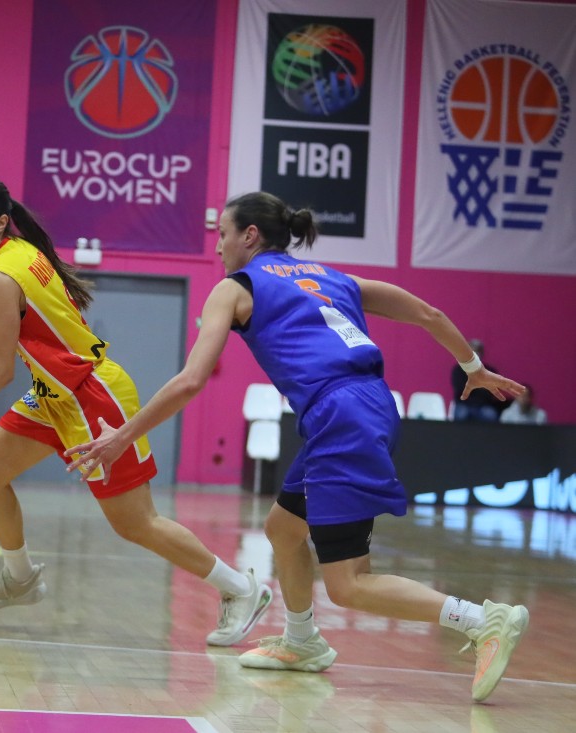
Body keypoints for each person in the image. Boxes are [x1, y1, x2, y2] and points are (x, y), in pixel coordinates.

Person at [65, 192, 530, 703]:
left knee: (348, 584)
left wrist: (122, 436)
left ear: (250, 236)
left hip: (339, 417)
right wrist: (472, 368)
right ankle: (302, 640)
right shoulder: (334, 278)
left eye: (222, 233)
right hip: (371, 403)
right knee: (283, 529)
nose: (217, 246)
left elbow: (191, 380)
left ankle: (481, 620)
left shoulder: (235, 288)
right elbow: (428, 312)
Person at [0, 177, 272, 647]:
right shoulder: (21, 251)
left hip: (91, 396)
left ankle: (241, 589)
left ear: (0, 222)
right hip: (53, 394)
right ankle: (19, 577)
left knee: (135, 522)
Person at [450, 339, 506, 421]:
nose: (476, 354)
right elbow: (460, 389)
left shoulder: (490, 371)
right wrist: (481, 386)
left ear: (482, 353)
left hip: (483, 405)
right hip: (464, 404)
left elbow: (492, 391)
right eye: (473, 351)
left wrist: (473, 387)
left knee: (491, 414)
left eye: (478, 351)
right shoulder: (458, 370)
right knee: (462, 413)